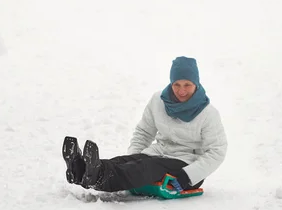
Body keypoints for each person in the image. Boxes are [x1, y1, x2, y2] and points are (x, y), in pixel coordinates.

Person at [62, 56, 228, 193]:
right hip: (158, 154)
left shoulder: (208, 113)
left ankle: (97, 176)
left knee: (147, 167)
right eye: (176, 84)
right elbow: (144, 132)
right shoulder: (158, 101)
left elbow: (217, 151)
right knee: (126, 162)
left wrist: (188, 175)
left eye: (187, 85)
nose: (181, 90)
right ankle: (80, 170)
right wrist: (132, 158)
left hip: (186, 168)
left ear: (196, 84)